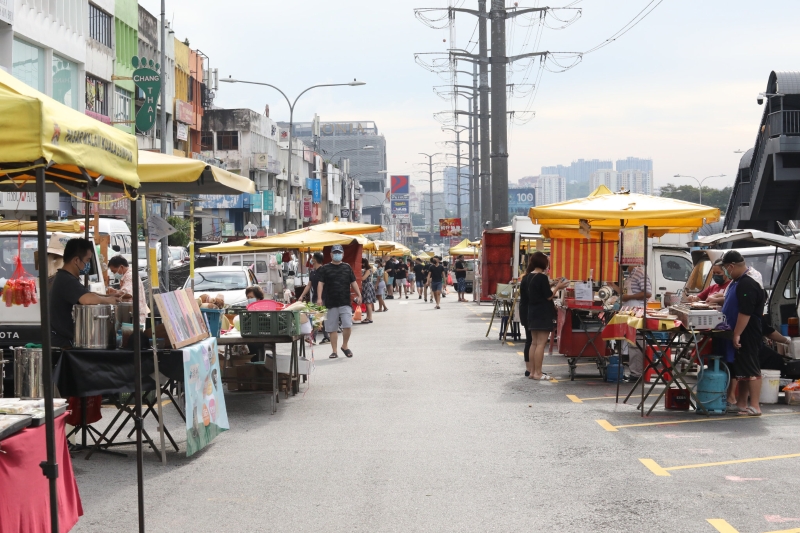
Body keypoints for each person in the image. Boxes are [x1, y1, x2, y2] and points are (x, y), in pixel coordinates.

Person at [50, 238, 120, 348]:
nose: (88, 265)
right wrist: (109, 300)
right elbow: (86, 299)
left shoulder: (68, 278)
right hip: (63, 343)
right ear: (76, 260)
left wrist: (110, 296)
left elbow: (86, 293)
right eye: (87, 261)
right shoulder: (66, 280)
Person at [721, 250, 766, 416]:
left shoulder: (748, 283)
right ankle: (741, 403)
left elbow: (745, 312)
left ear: (731, 266)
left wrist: (737, 333)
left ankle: (755, 406)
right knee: (743, 369)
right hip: (739, 329)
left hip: (748, 330)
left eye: (726, 268)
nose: (726, 272)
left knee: (751, 368)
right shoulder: (738, 280)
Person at [520, 252, 569, 380]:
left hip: (531, 312)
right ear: (543, 263)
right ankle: (538, 373)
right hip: (542, 312)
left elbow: (538, 291)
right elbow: (548, 296)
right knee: (541, 344)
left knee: (534, 343)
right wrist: (558, 286)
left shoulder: (527, 277)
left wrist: (552, 283)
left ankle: (532, 372)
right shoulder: (541, 277)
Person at [317, 245, 362, 358]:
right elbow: (320, 283)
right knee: (332, 328)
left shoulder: (347, 267)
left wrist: (359, 294)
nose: (337, 254)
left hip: (345, 301)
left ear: (342, 254)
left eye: (339, 252)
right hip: (330, 302)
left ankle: (345, 346)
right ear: (331, 254)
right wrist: (319, 298)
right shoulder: (325, 268)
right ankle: (334, 351)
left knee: (347, 324)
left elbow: (353, 282)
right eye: (335, 252)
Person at [608, 265, 652, 380]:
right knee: (631, 343)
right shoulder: (629, 276)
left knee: (636, 343)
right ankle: (634, 372)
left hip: (637, 312)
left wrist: (629, 297)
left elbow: (647, 293)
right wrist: (613, 286)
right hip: (629, 311)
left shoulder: (641, 274)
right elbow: (624, 293)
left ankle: (636, 374)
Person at [108, 256, 150, 326]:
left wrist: (111, 294)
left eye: (114, 271)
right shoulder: (128, 275)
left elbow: (127, 294)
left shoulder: (130, 276)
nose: (114, 274)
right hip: (133, 314)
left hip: (135, 316)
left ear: (121, 267)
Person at [298, 252, 330, 344]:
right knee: (320, 317)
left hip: (323, 297)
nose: (311, 260)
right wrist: (301, 296)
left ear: (315, 260)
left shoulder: (324, 270)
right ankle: (326, 337)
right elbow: (309, 285)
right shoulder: (313, 272)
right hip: (315, 297)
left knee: (317, 317)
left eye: (312, 258)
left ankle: (313, 337)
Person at [360, 257, 375, 324]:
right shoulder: (366, 270)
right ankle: (367, 317)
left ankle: (370, 318)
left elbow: (363, 278)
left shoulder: (368, 270)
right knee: (366, 303)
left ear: (363, 263)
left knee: (368, 303)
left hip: (367, 286)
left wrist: (359, 275)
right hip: (366, 286)